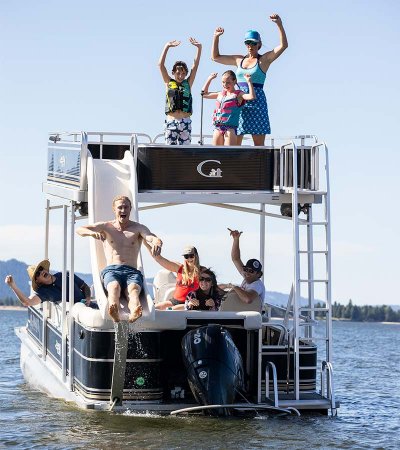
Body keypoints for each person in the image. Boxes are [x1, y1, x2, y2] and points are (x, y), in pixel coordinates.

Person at [76, 195, 163, 323]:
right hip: (112, 270)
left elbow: (150, 237)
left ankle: (135, 312)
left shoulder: (138, 228)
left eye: (126, 207)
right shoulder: (106, 226)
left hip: (132, 271)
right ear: (114, 210)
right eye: (120, 208)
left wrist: (158, 242)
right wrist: (91, 233)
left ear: (130, 209)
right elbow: (80, 229)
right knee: (114, 287)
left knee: (133, 290)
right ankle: (114, 310)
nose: (123, 210)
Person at [211, 14, 288, 146]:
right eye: (247, 43)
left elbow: (283, 46)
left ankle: (260, 166)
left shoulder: (263, 60)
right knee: (234, 144)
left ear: (259, 44)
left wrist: (279, 24)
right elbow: (215, 57)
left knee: (258, 146)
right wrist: (216, 37)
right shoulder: (238, 60)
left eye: (253, 43)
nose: (250, 45)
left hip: (257, 102)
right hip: (238, 102)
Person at [158, 38, 202, 145]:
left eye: (183, 74)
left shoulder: (188, 83)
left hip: (185, 122)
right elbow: (160, 65)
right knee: (170, 151)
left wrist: (199, 48)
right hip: (171, 122)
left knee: (184, 152)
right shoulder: (168, 82)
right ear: (173, 73)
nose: (181, 76)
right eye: (178, 73)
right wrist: (167, 47)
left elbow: (195, 67)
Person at [4, 259, 96, 308]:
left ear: (44, 269)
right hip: (76, 319)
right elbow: (27, 302)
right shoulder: (44, 292)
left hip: (91, 308)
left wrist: (88, 298)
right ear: (38, 281)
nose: (41, 272)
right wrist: (13, 286)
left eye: (40, 269)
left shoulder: (65, 274)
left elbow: (85, 286)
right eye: (37, 274)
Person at [201, 71, 255, 146]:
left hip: (230, 129)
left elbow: (252, 97)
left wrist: (249, 82)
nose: (225, 85)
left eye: (228, 82)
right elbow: (203, 94)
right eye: (223, 82)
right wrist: (209, 79)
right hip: (217, 128)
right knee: (215, 153)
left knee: (228, 154)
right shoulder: (220, 94)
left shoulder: (239, 94)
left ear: (235, 81)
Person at [220, 228, 265, 312]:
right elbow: (235, 258)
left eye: (251, 271)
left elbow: (248, 299)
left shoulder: (257, 285)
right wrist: (236, 239)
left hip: (250, 319)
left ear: (258, 274)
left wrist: (235, 287)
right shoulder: (246, 276)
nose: (247, 272)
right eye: (246, 269)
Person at [150, 245, 201, 310]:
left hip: (191, 303)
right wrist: (145, 242)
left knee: (172, 309)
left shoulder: (202, 271)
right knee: (152, 308)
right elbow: (158, 258)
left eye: (191, 256)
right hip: (175, 301)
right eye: (186, 256)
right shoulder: (179, 267)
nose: (189, 259)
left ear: (196, 256)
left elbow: (211, 286)